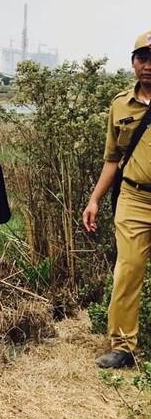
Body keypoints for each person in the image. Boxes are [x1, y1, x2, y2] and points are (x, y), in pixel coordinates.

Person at [83, 30, 151, 369]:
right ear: (133, 63)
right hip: (135, 199)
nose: (149, 65)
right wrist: (95, 199)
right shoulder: (120, 105)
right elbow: (113, 159)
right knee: (128, 271)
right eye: (143, 58)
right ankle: (123, 347)